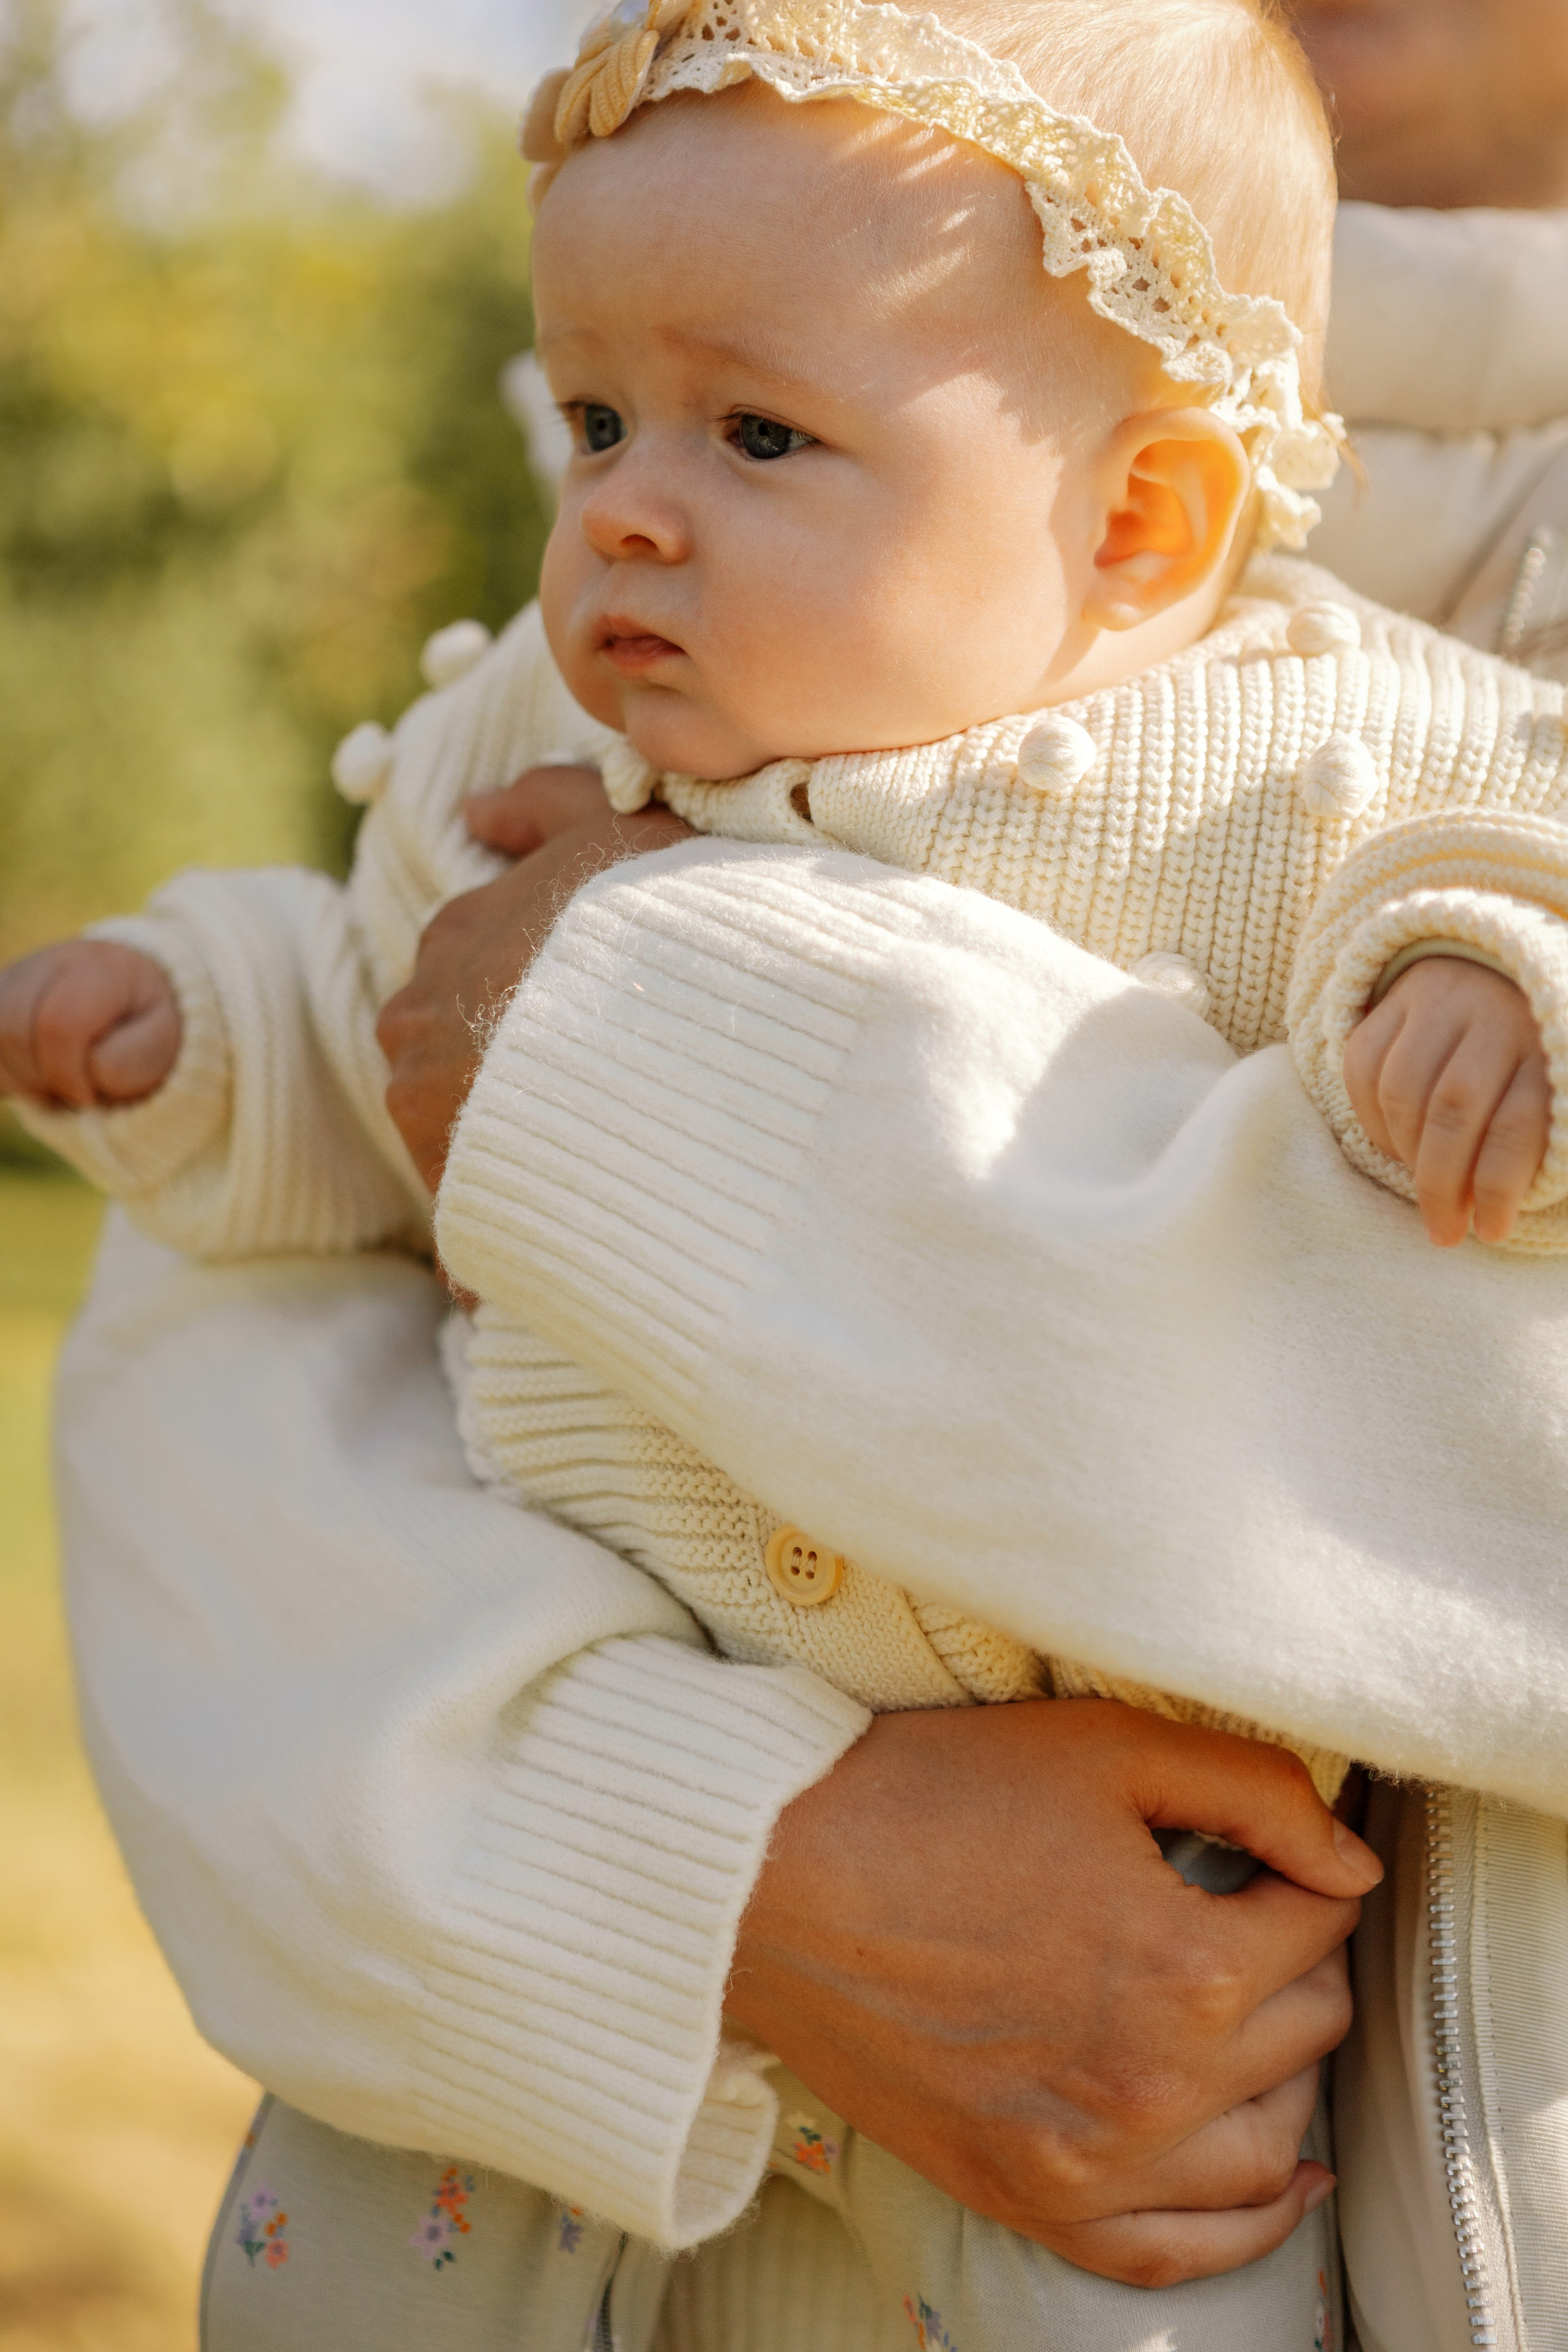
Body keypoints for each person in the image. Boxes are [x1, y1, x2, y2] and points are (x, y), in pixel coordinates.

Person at [9, 2, 1568, 2346]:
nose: (628, 508)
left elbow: (1505, 821)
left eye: (752, 436)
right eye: (598, 424)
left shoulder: (1278, 747)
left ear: (1140, 525)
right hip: (596, 2091)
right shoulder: (565, 723)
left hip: (1155, 1990)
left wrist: (1498, 961)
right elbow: (371, 1030)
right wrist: (201, 1030)